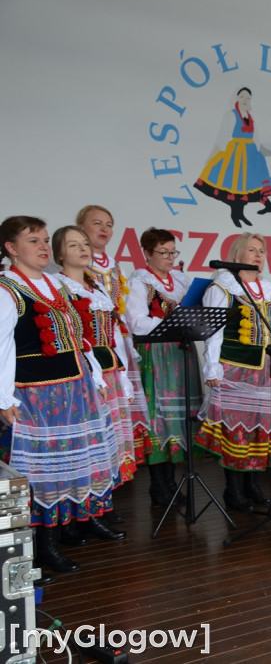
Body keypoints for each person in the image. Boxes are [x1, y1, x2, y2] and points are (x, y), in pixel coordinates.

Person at [0, 216, 122, 574]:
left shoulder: (58, 285)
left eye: (43, 240)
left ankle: (64, 530)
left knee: (72, 464)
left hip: (75, 387)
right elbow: (2, 348)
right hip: (37, 394)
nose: (42, 247)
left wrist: (95, 376)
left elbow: (82, 338)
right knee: (39, 471)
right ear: (10, 248)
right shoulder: (7, 289)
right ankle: (42, 547)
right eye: (33, 240)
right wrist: (4, 399)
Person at [54, 226, 138, 521]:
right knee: (92, 441)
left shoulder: (98, 289)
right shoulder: (58, 286)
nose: (82, 248)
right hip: (86, 373)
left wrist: (125, 373)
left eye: (85, 244)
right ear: (60, 253)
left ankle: (103, 503)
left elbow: (114, 334)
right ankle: (86, 510)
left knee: (110, 438)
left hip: (111, 368)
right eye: (74, 245)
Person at [195, 233, 271, 512]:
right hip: (233, 371)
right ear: (236, 255)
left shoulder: (267, 289)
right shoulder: (222, 287)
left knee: (259, 428)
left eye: (262, 251)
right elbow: (213, 332)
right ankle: (233, 490)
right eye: (251, 250)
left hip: (263, 372)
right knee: (235, 431)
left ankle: (252, 484)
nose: (258, 255)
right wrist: (212, 366)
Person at [125, 228, 202, 507]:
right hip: (156, 352)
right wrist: (172, 325)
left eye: (173, 252)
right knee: (160, 417)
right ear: (147, 253)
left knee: (180, 418)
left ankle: (172, 480)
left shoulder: (180, 280)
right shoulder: (140, 282)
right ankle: (159, 485)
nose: (170, 257)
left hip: (181, 352)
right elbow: (136, 322)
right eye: (163, 253)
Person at [78, 205, 153, 494]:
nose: (104, 229)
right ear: (80, 227)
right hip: (88, 348)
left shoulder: (113, 264)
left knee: (117, 415)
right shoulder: (73, 264)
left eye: (109, 224)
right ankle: (95, 487)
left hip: (114, 344)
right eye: (96, 223)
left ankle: (113, 483)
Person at [193, 87, 271, 228]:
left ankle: (239, 213)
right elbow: (222, 138)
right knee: (235, 185)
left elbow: (257, 139)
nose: (245, 100)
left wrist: (260, 155)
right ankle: (236, 213)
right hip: (236, 154)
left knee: (246, 187)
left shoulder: (251, 117)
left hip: (249, 155)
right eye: (242, 96)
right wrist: (212, 156)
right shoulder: (230, 115)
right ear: (237, 98)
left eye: (248, 97)